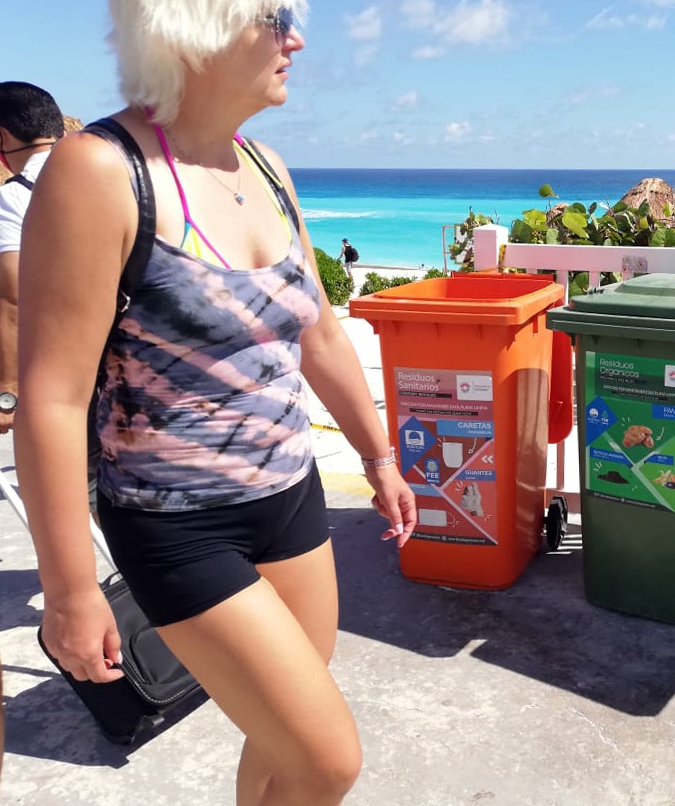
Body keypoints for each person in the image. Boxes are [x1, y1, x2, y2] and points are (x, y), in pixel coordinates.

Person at [15, 3, 416, 805]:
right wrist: (68, 592)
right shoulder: (98, 169)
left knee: (279, 743)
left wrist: (379, 458)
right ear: (190, 25)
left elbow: (322, 335)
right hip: (175, 525)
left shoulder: (265, 166)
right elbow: (51, 399)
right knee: (327, 758)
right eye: (274, 17)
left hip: (291, 495)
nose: (296, 38)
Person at [0, 80, 65, 791]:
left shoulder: (14, 195)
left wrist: (11, 394)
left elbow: (14, 303)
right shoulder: (102, 169)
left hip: (57, 381)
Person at [0, 82, 64, 436]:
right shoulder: (114, 176)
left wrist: (7, 392)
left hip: (64, 376)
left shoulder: (13, 198)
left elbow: (12, 294)